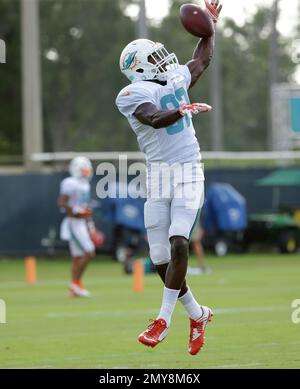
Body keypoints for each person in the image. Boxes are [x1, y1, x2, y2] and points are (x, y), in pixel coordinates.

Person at [115, 0, 222, 355]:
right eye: (154, 58)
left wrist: (210, 26)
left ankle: (163, 320)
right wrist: (181, 109)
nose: (164, 60)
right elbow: (153, 117)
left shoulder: (174, 75)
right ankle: (198, 314)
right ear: (139, 70)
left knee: (179, 243)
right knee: (160, 259)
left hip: (189, 168)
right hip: (159, 175)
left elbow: (202, 59)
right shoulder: (131, 94)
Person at [58, 156, 95, 297]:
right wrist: (76, 211)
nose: (86, 172)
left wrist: (90, 224)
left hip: (80, 223)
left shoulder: (85, 184)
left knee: (78, 256)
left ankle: (75, 287)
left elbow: (84, 207)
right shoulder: (70, 183)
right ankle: (75, 283)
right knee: (89, 252)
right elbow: (61, 203)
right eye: (84, 169)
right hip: (73, 222)